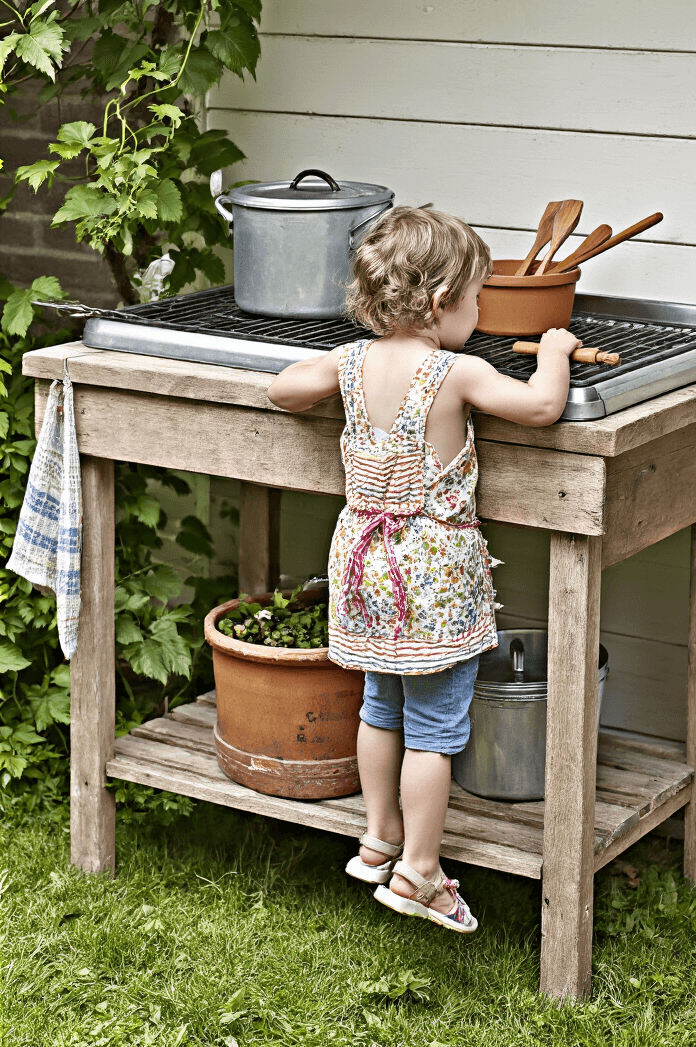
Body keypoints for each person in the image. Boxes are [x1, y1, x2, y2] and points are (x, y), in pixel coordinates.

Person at [267, 206, 581, 934]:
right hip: (431, 575)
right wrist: (557, 350)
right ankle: (420, 871)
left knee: (381, 702)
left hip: (366, 569)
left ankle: (378, 838)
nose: (477, 313)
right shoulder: (456, 371)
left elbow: (283, 390)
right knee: (436, 730)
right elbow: (539, 407)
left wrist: (320, 380)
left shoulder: (351, 362)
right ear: (442, 302)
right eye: (476, 299)